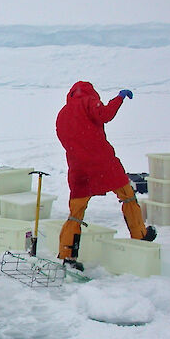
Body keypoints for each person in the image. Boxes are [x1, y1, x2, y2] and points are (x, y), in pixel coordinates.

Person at [56, 81, 156, 271]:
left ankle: (68, 255)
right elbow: (105, 114)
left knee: (76, 213)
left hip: (78, 167)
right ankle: (140, 234)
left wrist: (79, 152)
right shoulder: (87, 101)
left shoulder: (63, 113)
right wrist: (119, 98)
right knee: (127, 195)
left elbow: (62, 137)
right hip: (102, 163)